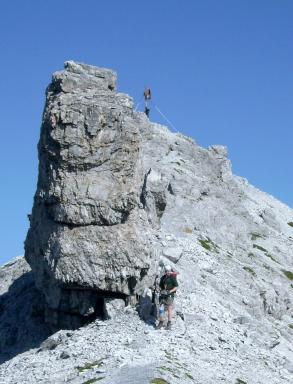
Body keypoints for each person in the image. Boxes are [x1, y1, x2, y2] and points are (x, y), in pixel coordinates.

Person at [156, 265, 178, 330]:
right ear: (165, 271)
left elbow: (176, 287)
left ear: (170, 271)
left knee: (169, 308)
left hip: (170, 295)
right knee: (161, 308)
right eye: (166, 271)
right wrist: (160, 290)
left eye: (168, 271)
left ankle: (169, 323)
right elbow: (161, 286)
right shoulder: (163, 278)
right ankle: (161, 322)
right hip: (163, 294)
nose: (167, 272)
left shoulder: (172, 278)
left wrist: (170, 291)